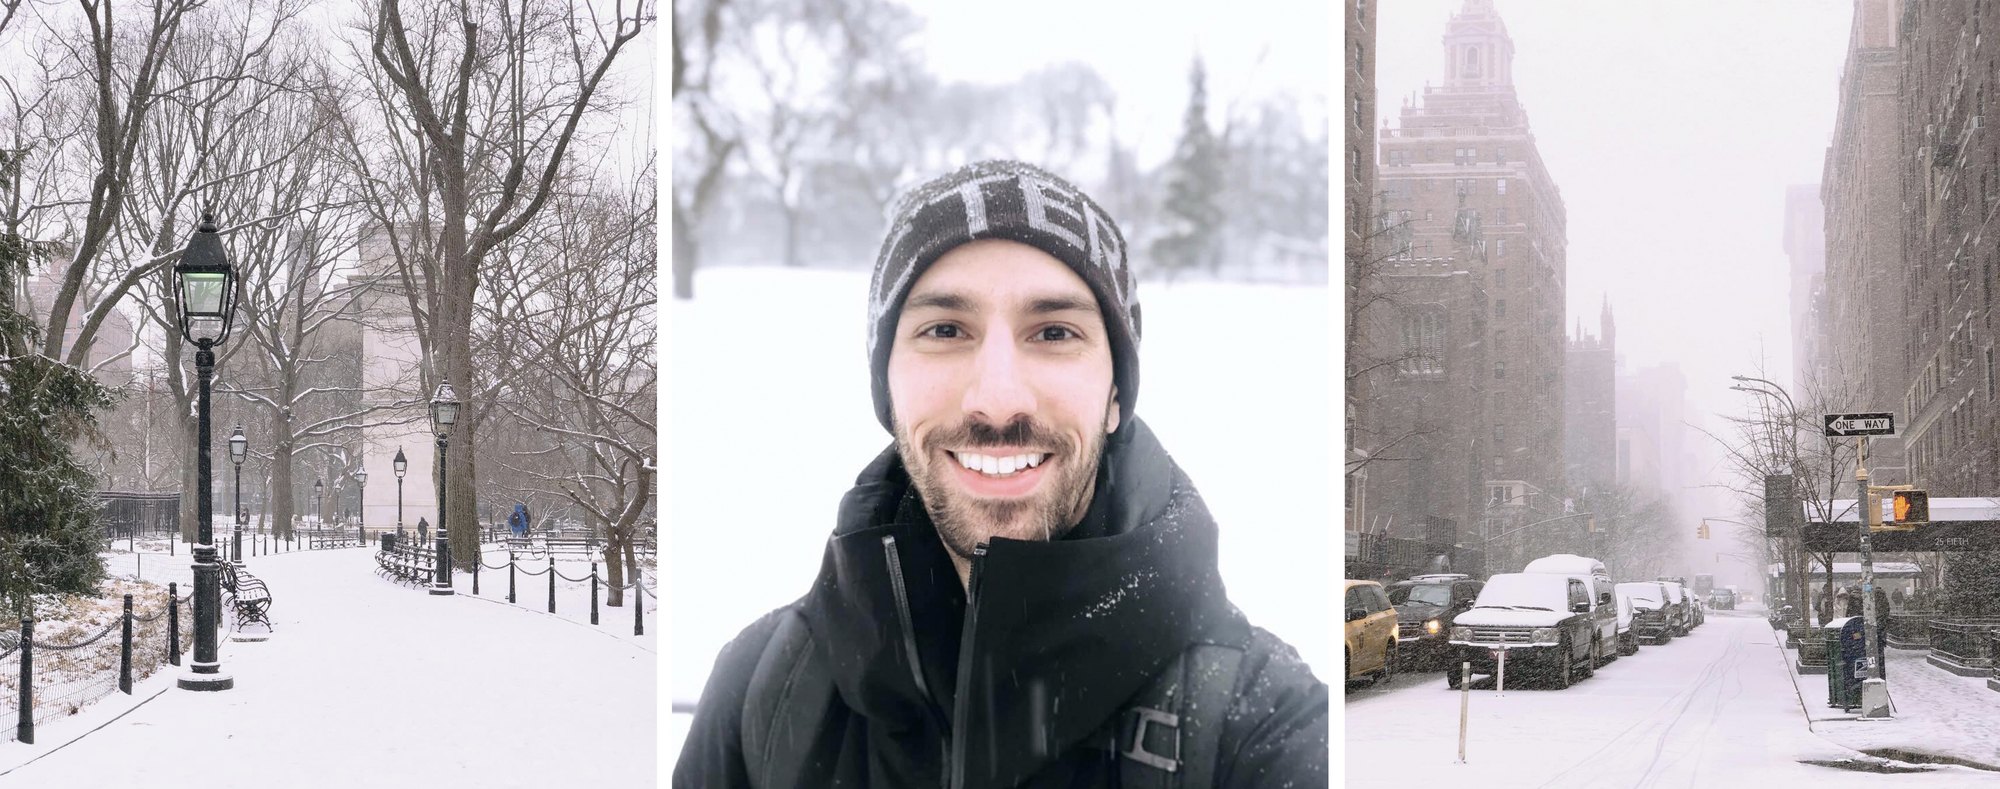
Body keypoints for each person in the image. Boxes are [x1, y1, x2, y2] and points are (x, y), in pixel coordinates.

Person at [674, 160, 1328, 787]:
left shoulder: (1265, 727)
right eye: (945, 328)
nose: (997, 398)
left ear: (1116, 394)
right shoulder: (762, 694)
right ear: (887, 384)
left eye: (1053, 333)